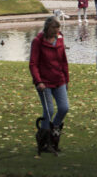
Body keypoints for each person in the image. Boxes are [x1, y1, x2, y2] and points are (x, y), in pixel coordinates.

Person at [30, 16, 69, 155]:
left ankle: (53, 133)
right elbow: (33, 64)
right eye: (55, 28)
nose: (58, 31)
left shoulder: (60, 39)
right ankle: (44, 141)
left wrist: (66, 79)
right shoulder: (37, 42)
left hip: (59, 79)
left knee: (64, 108)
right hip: (44, 82)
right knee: (49, 110)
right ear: (48, 28)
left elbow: (64, 60)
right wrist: (38, 81)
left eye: (59, 28)